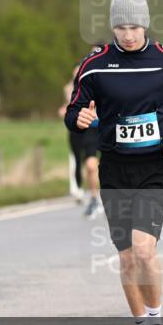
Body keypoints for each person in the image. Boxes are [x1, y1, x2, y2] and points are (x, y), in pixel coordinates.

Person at [65, 0, 163, 325]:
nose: (128, 34)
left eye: (134, 26)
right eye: (121, 27)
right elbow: (73, 109)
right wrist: (78, 118)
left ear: (146, 24)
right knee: (126, 259)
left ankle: (156, 324)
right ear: (112, 26)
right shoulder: (94, 64)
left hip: (155, 167)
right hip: (115, 168)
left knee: (143, 250)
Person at [59, 64, 100, 218]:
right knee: (79, 162)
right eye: (76, 73)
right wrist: (65, 111)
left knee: (91, 165)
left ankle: (98, 197)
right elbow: (69, 106)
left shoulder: (97, 83)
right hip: (75, 130)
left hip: (93, 129)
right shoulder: (68, 88)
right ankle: (87, 194)